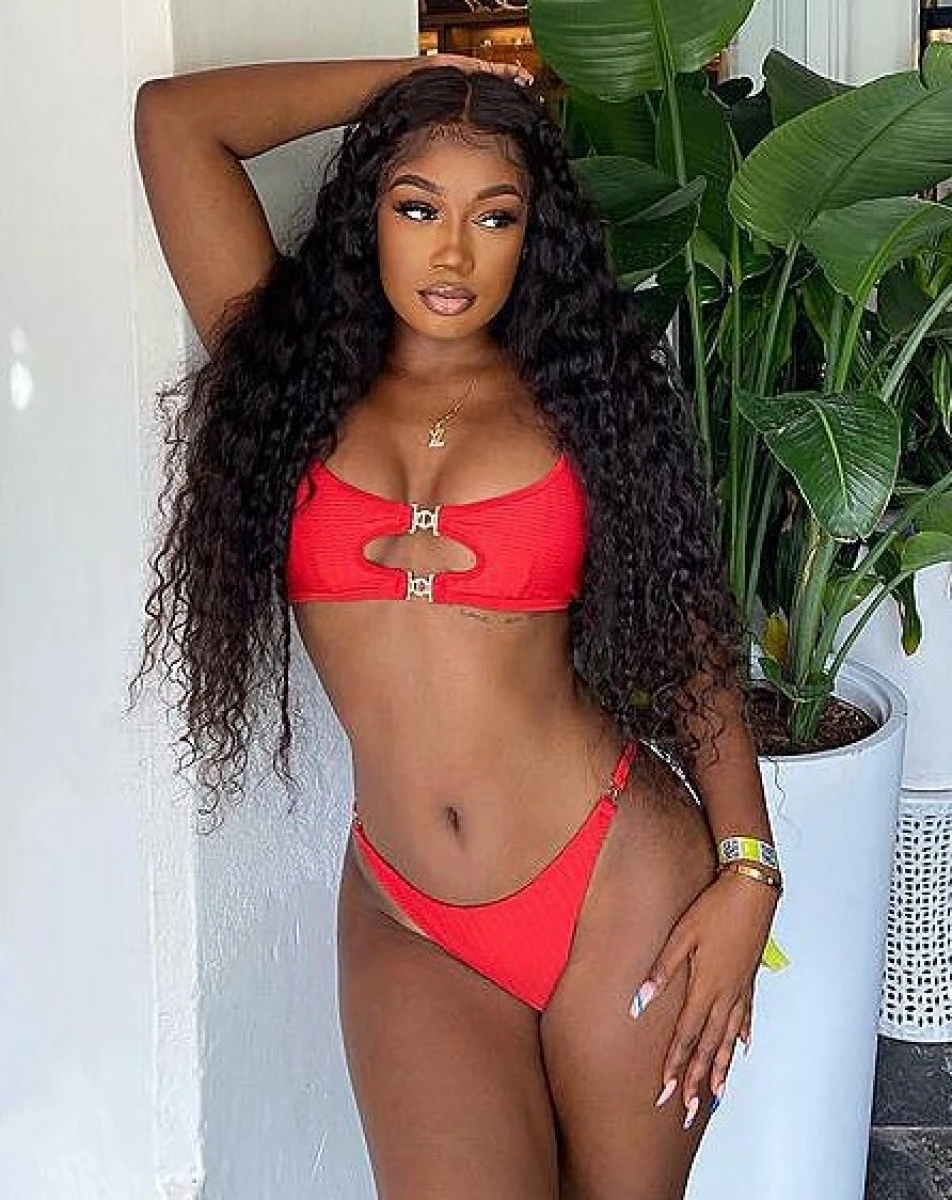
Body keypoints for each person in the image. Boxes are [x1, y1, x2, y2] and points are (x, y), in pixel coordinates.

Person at [131, 51, 782, 1199]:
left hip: (615, 883)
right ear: (367, 213)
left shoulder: (582, 398)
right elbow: (176, 122)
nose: (451, 253)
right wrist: (418, 78)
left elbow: (689, 636)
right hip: (410, 916)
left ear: (532, 236)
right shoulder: (286, 375)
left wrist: (749, 873)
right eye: (417, 206)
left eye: (494, 216)